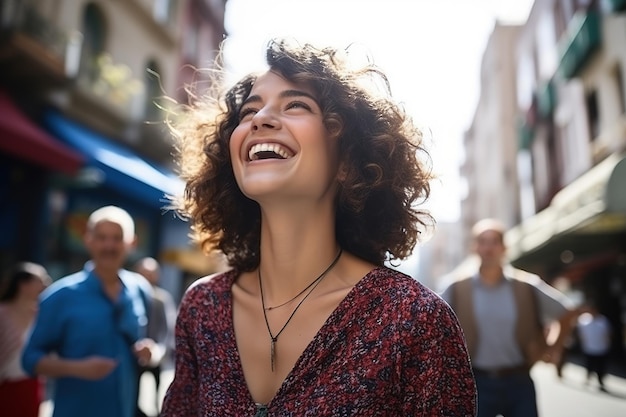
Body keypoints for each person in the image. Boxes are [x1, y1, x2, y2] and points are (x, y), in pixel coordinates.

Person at [161, 38, 476, 416]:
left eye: (296, 104)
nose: (260, 119)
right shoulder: (202, 307)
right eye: (249, 111)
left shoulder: (414, 320)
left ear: (348, 162)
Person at [21, 205, 158, 417]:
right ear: (88, 240)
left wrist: (150, 353)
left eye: (117, 238)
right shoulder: (60, 296)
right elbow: (29, 359)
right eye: (102, 237)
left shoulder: (140, 289)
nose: (109, 245)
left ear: (132, 243)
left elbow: (153, 344)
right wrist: (77, 368)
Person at [440, 218, 577, 417]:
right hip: (475, 382)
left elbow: (566, 312)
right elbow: (431, 323)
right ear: (474, 248)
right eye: (482, 241)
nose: (488, 248)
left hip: (519, 381)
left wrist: (552, 348)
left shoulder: (526, 285)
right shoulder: (456, 287)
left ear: (504, 247)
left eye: (494, 241)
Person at [0, 262, 51, 417]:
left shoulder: (41, 315)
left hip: (32, 385)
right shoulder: (2, 314)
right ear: (23, 285)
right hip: (5, 386)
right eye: (40, 280)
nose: (46, 285)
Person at [133, 257, 176, 417]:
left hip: (156, 353)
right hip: (136, 354)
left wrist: (159, 350)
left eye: (150, 274)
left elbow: (167, 327)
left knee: (157, 391)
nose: (147, 277)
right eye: (144, 273)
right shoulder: (131, 295)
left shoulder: (162, 298)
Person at [576, 304, 612, 391]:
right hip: (589, 347)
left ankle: (600, 382)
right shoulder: (584, 319)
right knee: (589, 364)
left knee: (601, 367)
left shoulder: (603, 321)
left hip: (601, 348)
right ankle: (588, 378)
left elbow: (608, 333)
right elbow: (579, 331)